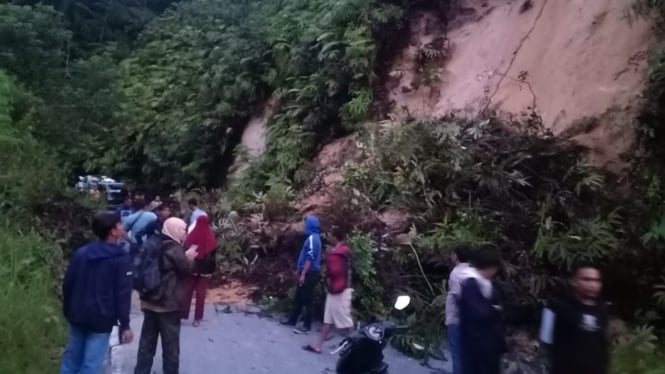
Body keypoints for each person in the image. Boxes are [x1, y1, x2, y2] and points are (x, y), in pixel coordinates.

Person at [60, 212, 134, 374]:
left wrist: (68, 311)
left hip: (78, 315)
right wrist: (125, 325)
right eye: (119, 224)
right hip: (102, 319)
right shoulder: (120, 258)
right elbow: (122, 294)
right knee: (91, 365)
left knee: (70, 361)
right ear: (113, 231)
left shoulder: (81, 253)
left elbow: (68, 284)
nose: (122, 227)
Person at [134, 217, 196, 374]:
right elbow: (186, 271)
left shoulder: (153, 243)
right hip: (168, 306)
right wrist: (189, 257)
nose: (186, 233)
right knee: (171, 347)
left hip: (149, 301)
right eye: (183, 229)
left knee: (147, 343)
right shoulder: (175, 249)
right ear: (174, 230)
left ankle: (141, 371)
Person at [546, 263, 608, 374]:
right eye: (586, 279)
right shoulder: (557, 308)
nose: (592, 285)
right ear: (573, 281)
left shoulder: (602, 310)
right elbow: (545, 339)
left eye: (596, 280)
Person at [303, 226, 353, 353]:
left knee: (344, 320)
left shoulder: (341, 252)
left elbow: (337, 271)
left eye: (331, 235)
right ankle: (318, 345)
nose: (329, 237)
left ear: (335, 237)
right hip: (335, 289)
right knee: (328, 319)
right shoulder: (339, 251)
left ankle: (357, 346)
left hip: (341, 290)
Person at [459, 246, 505, 374]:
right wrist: (495, 309)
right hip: (477, 345)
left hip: (486, 345)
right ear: (491, 267)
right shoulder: (471, 284)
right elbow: (480, 312)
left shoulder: (485, 283)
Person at [281, 215, 322, 334]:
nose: (305, 226)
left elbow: (310, 258)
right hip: (309, 272)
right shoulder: (316, 238)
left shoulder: (312, 239)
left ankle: (307, 325)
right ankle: (292, 319)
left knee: (307, 299)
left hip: (309, 273)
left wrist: (303, 274)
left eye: (306, 224)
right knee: (299, 297)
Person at [181, 215, 218, 326]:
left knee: (187, 292)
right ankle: (197, 318)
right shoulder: (211, 237)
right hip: (204, 272)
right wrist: (210, 272)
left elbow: (185, 252)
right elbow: (212, 258)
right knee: (200, 294)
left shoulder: (191, 236)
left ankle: (182, 314)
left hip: (191, 270)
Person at [445, 243, 472, 374]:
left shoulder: (456, 274)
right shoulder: (473, 272)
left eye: (452, 253)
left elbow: (458, 296)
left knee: (457, 354)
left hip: (456, 320)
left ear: (456, 256)